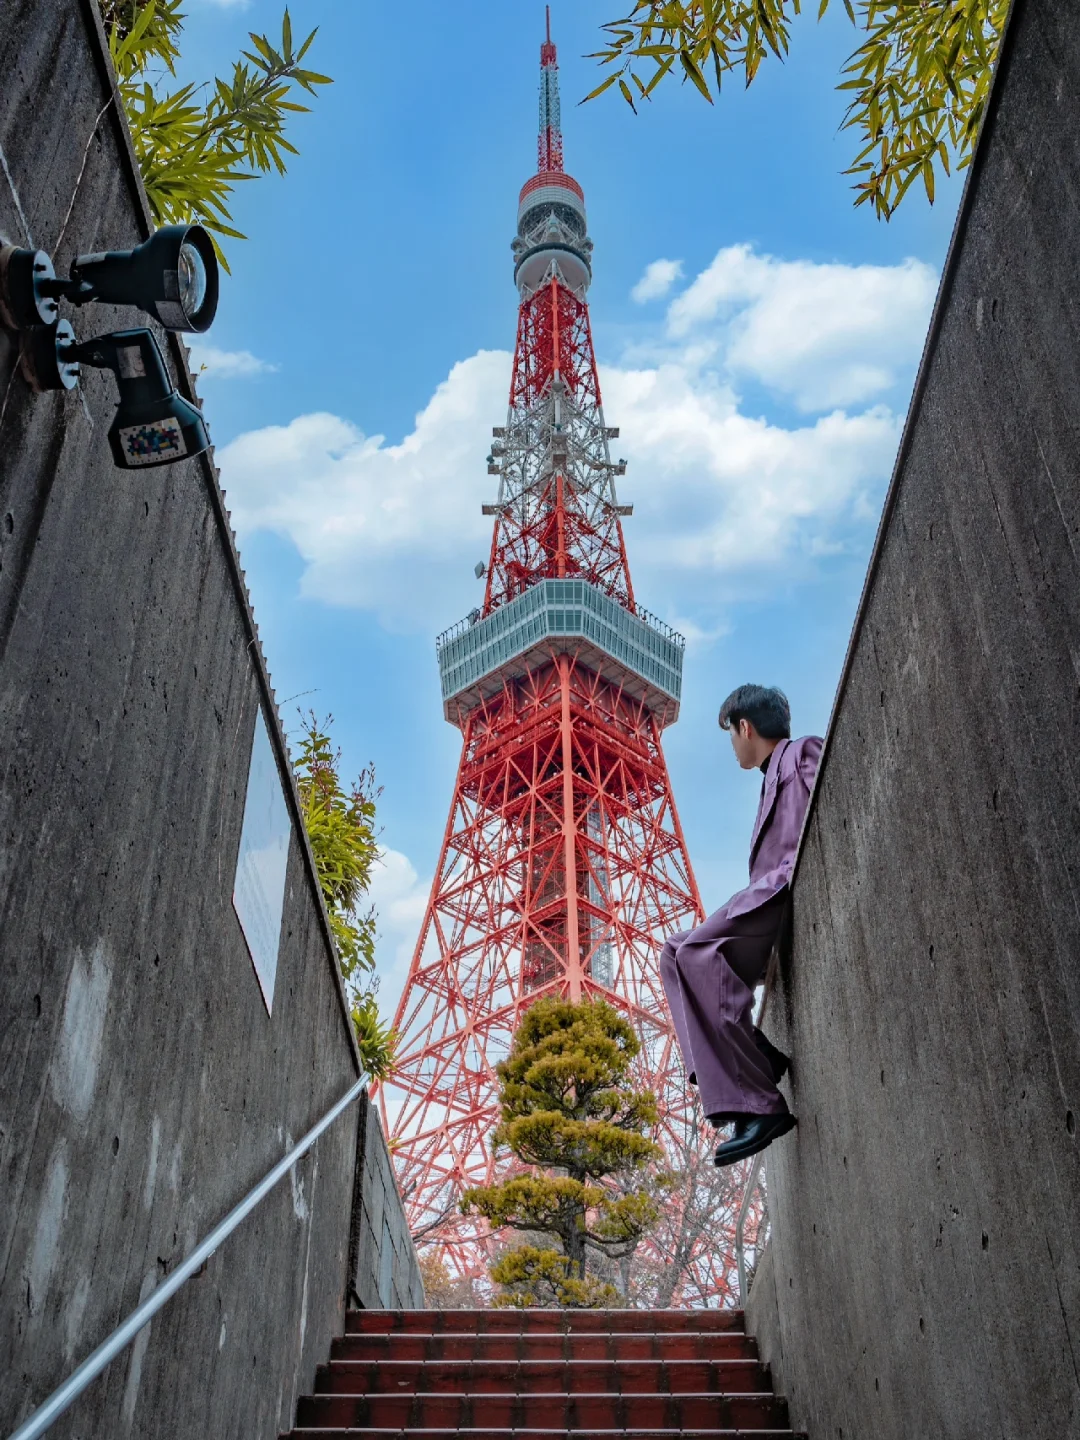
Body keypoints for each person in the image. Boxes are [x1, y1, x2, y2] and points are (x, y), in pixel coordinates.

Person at [660, 684, 823, 1167]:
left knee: (694, 954)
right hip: (763, 899)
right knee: (673, 952)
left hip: (777, 890)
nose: (732, 746)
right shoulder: (769, 777)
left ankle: (761, 1103)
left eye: (731, 735)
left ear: (745, 728)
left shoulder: (802, 753)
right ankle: (750, 1060)